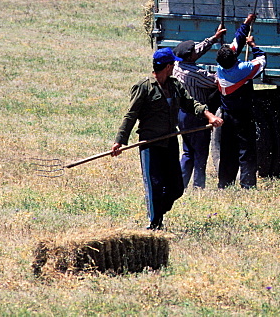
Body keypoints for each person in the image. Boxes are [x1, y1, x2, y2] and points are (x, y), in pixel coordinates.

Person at [111, 48, 223, 230]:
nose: (175, 66)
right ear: (168, 66)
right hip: (150, 144)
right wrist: (120, 140)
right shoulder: (144, 87)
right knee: (155, 185)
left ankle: (158, 212)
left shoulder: (175, 85)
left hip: (170, 141)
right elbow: (131, 115)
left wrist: (209, 115)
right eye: (173, 64)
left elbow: (190, 103)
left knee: (176, 187)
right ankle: (154, 225)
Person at [214, 13, 266, 189]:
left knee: (227, 151)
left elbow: (236, 43)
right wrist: (253, 45)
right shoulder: (243, 69)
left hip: (226, 115)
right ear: (234, 58)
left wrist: (246, 23)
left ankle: (224, 183)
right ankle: (247, 185)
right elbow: (262, 61)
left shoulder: (220, 67)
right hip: (242, 115)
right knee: (246, 151)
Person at [172, 26, 226, 189]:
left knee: (188, 152)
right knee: (200, 152)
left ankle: (180, 185)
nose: (197, 51)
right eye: (194, 51)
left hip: (182, 114)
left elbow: (197, 51)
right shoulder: (195, 74)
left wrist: (214, 38)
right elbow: (216, 81)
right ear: (189, 57)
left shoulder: (177, 65)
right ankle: (198, 187)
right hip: (196, 115)